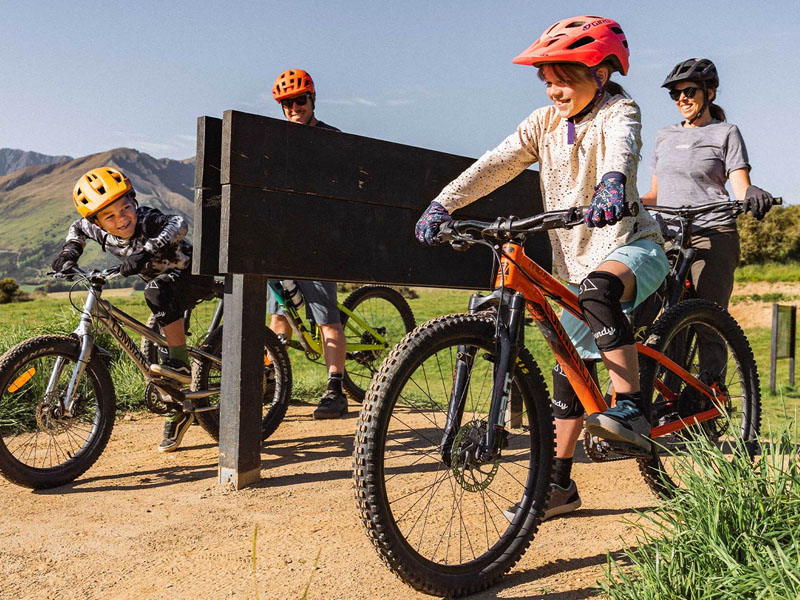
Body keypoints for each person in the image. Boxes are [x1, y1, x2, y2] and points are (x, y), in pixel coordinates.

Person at [415, 16, 669, 519]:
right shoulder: (543, 123)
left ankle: (633, 406)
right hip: (572, 259)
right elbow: (498, 162)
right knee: (565, 371)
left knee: (597, 292)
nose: (554, 88)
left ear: (599, 74)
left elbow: (623, 145)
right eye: (547, 78)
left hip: (630, 246)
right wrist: (444, 203)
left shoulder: (620, 109)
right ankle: (558, 487)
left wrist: (614, 181)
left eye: (565, 77)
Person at [51, 167, 217, 452]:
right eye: (110, 216)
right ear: (99, 222)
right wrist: (69, 253)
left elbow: (178, 223)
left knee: (156, 291)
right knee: (155, 342)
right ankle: (178, 411)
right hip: (164, 285)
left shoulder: (147, 220)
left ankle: (180, 363)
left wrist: (146, 251)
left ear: (134, 203)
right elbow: (77, 228)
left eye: (125, 208)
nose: (121, 218)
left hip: (195, 276)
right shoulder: (93, 227)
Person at [641, 58, 775, 375]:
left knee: (708, 319)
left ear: (709, 93)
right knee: (663, 318)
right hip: (668, 235)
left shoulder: (726, 132)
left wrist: (753, 192)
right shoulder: (664, 136)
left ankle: (710, 399)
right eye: (675, 95)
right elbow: (656, 193)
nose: (682, 99)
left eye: (689, 91)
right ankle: (666, 402)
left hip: (712, 232)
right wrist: (626, 199)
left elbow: (739, 186)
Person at [269, 69, 349, 419]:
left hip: (319, 240)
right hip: (285, 239)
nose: (293, 108)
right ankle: (274, 378)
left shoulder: (332, 138)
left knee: (326, 318)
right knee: (278, 313)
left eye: (299, 100)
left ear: (312, 100)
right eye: (286, 103)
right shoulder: (277, 140)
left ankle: (336, 389)